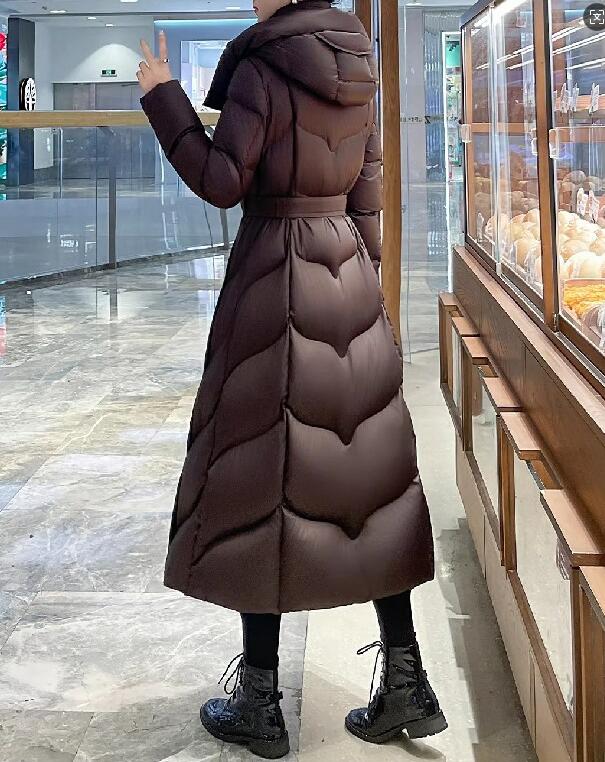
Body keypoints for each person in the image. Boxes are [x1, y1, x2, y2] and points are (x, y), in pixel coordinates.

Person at [138, 0, 446, 757]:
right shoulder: (356, 59)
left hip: (275, 274)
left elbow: (221, 180)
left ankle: (259, 700)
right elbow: (367, 191)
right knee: (367, 480)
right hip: (346, 274)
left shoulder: (262, 63)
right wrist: (365, 290)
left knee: (261, 477)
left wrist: (162, 96)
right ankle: (406, 683)